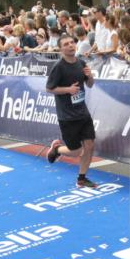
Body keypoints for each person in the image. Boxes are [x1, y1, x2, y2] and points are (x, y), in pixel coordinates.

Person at [45, 34, 98, 189]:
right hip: (67, 116)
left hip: (83, 113)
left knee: (90, 146)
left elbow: (90, 85)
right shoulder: (59, 67)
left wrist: (90, 77)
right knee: (76, 151)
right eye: (66, 44)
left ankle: (82, 179)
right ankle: (57, 149)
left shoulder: (81, 63)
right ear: (61, 49)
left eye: (72, 42)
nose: (70, 45)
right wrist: (68, 90)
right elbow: (49, 88)